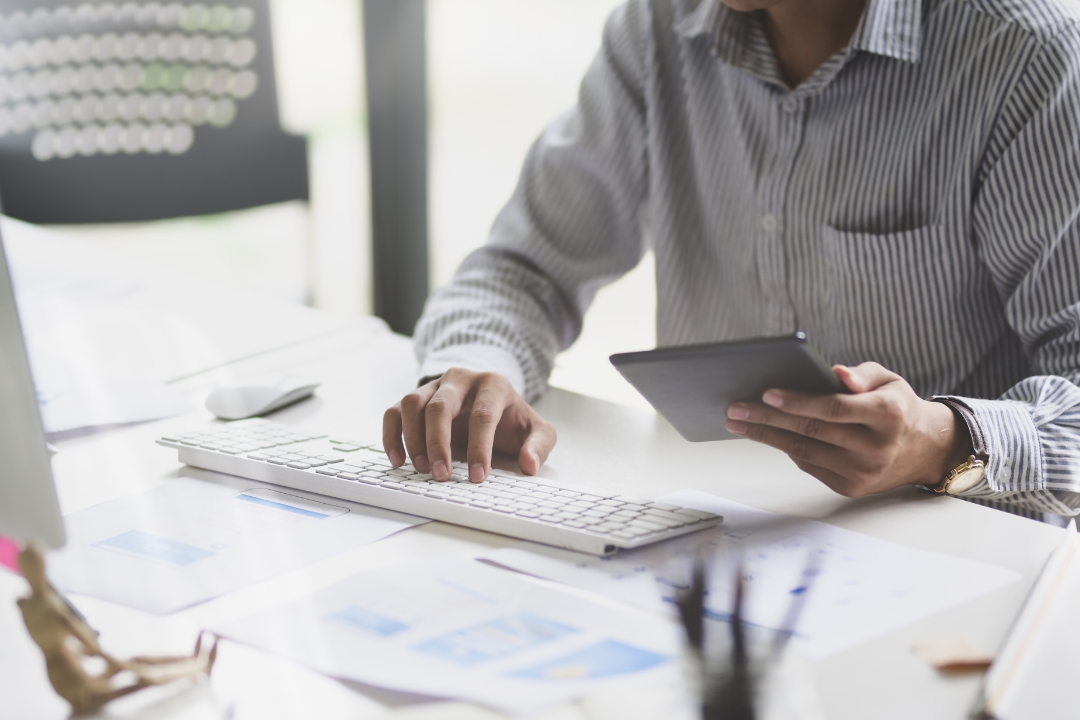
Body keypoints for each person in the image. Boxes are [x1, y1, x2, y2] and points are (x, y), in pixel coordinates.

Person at [383, 0, 1080, 519]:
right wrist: (479, 370)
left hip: (963, 562)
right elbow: (522, 270)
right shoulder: (660, 27)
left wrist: (942, 441)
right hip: (710, 532)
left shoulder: (1027, 57)